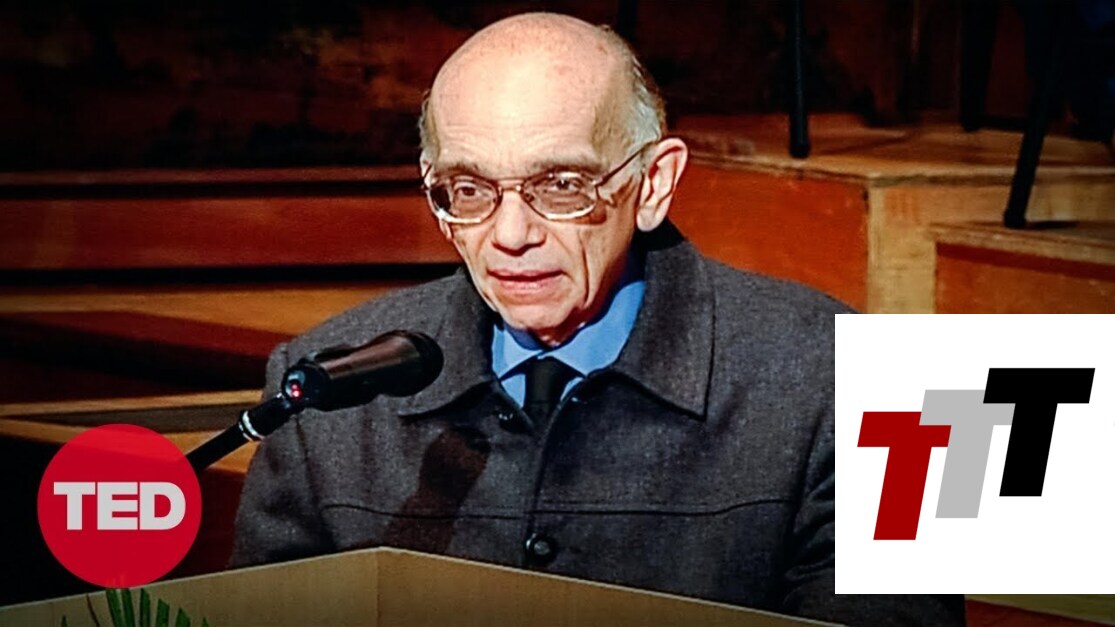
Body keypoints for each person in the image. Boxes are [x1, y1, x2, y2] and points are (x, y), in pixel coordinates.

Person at [231, 12, 963, 625]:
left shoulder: (868, 379)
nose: (510, 235)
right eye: (469, 189)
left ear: (653, 183)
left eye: (560, 185)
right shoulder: (320, 385)